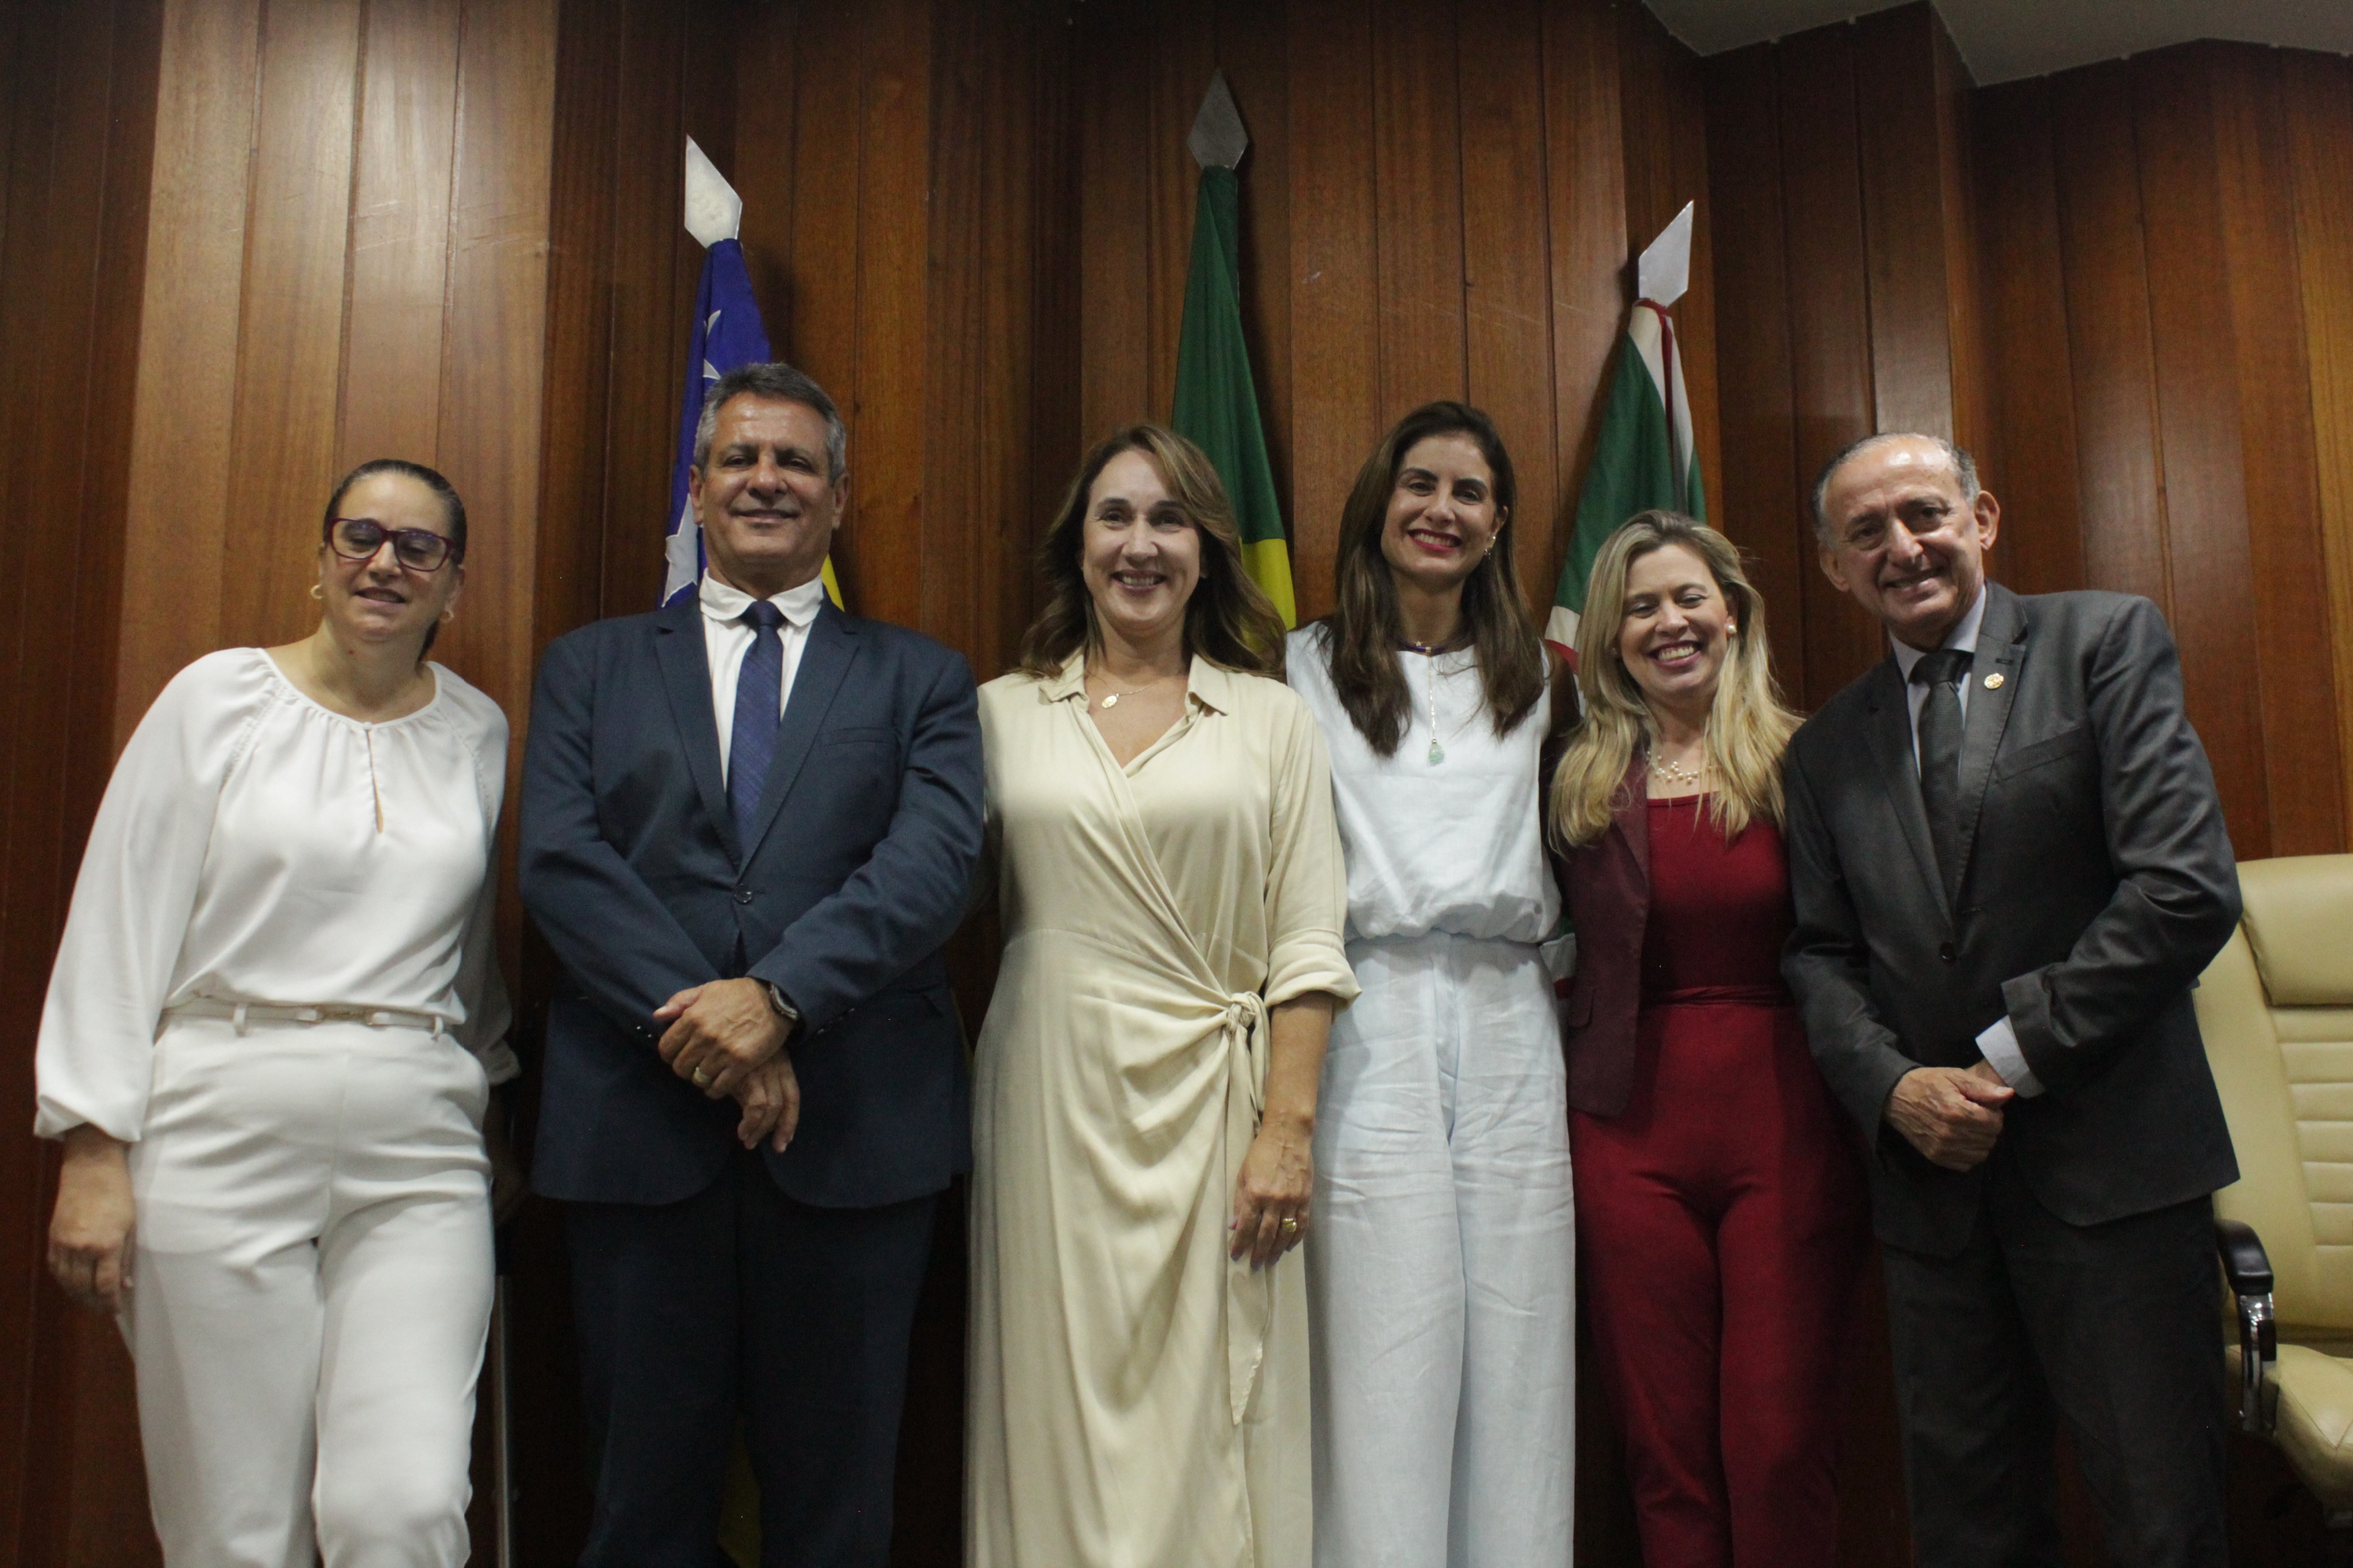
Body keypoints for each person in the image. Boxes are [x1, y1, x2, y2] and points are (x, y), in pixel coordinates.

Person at [518, 361, 983, 1567]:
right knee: (640, 1508)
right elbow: (563, 863)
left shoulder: (923, 677)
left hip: (853, 1138)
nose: (766, 479)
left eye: (796, 462)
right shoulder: (589, 665)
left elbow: (933, 865)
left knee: (838, 1513)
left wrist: (778, 1000)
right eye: (740, 457)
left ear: (839, 498)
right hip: (639, 1137)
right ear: (698, 487)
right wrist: (715, 1037)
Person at [38, 459, 518, 1566]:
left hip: (419, 1137)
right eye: (361, 535)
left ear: (453, 585)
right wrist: (93, 1147)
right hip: (219, 1115)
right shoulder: (216, 700)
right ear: (320, 557)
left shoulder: (478, 731)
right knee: (235, 1530)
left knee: (402, 1507)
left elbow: (471, 951)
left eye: (419, 547)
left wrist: (491, 1095)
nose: (385, 563)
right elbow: (118, 921)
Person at [1784, 433, 2240, 1567]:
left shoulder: (2102, 642)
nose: (1903, 547)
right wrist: (1895, 1088)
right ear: (1835, 567)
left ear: (1981, 517)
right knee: (1968, 1534)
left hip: (2116, 1175)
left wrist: (2002, 1060)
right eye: (1866, 533)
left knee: (2164, 1523)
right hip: (1936, 1200)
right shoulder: (1825, 748)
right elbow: (1819, 955)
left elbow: (2184, 888)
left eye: (1925, 514)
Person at [964, 424, 1357, 1568]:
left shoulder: (1273, 718)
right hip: (1047, 1101)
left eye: (1169, 519)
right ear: (1077, 545)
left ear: (1208, 550)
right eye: (1116, 516)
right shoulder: (996, 713)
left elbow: (1308, 939)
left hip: (1220, 1114)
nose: (1141, 545)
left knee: (1217, 1418)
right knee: (1047, 1405)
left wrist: (1287, 1128)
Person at [1284, 401, 1578, 1567]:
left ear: (1499, 522)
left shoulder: (1541, 675)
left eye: (1469, 493)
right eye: (1421, 484)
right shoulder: (1300, 668)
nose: (1441, 510)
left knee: (1519, 1347)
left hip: (1512, 1012)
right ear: (1379, 502)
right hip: (1365, 1012)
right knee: (1382, 1347)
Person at [1551, 512, 1867, 1566]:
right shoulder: (1572, 777)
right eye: (1640, 607)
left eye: (1689, 597)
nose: (1669, 622)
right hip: (1625, 1135)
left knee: (1780, 1444)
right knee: (1665, 1450)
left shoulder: (1808, 761)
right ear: (1610, 636)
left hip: (1787, 1131)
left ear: (1733, 613)